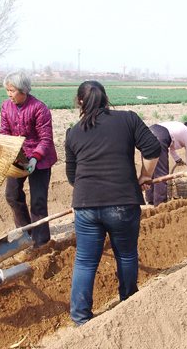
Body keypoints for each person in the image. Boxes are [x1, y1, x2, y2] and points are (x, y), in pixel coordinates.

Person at [65, 80, 161, 327]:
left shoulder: (73, 132)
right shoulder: (128, 119)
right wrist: (145, 176)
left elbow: (72, 176)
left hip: (85, 206)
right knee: (126, 255)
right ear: (106, 98)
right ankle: (128, 303)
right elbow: (152, 147)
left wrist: (90, 193)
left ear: (80, 102)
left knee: (85, 261)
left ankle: (80, 318)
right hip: (123, 203)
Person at [0, 70, 57, 248]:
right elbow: (5, 132)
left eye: (13, 90)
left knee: (38, 201)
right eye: (7, 90)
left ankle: (41, 242)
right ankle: (25, 232)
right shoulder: (6, 106)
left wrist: (35, 158)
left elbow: (46, 139)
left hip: (40, 159)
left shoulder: (39, 108)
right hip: (18, 156)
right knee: (12, 195)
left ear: (24, 90)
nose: (9, 94)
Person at [145, 120, 187, 207]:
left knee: (150, 168)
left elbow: (171, 148)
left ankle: (150, 198)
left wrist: (178, 160)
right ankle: (160, 204)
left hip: (148, 132)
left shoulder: (178, 127)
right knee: (161, 173)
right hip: (160, 136)